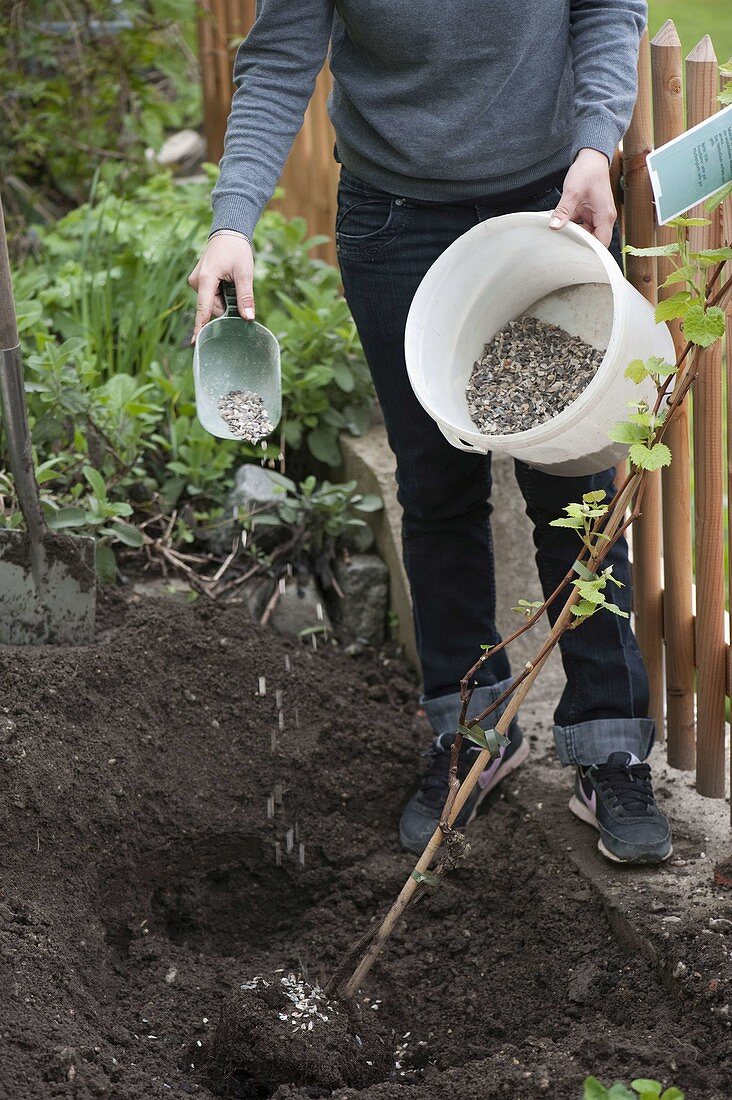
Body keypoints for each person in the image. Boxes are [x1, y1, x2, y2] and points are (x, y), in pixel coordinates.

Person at [189, 0, 672, 866]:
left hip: (550, 199)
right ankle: (474, 733)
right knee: (436, 487)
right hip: (395, 221)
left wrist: (598, 139)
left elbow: (607, 6)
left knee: (577, 480)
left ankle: (610, 749)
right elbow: (278, 61)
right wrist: (233, 223)